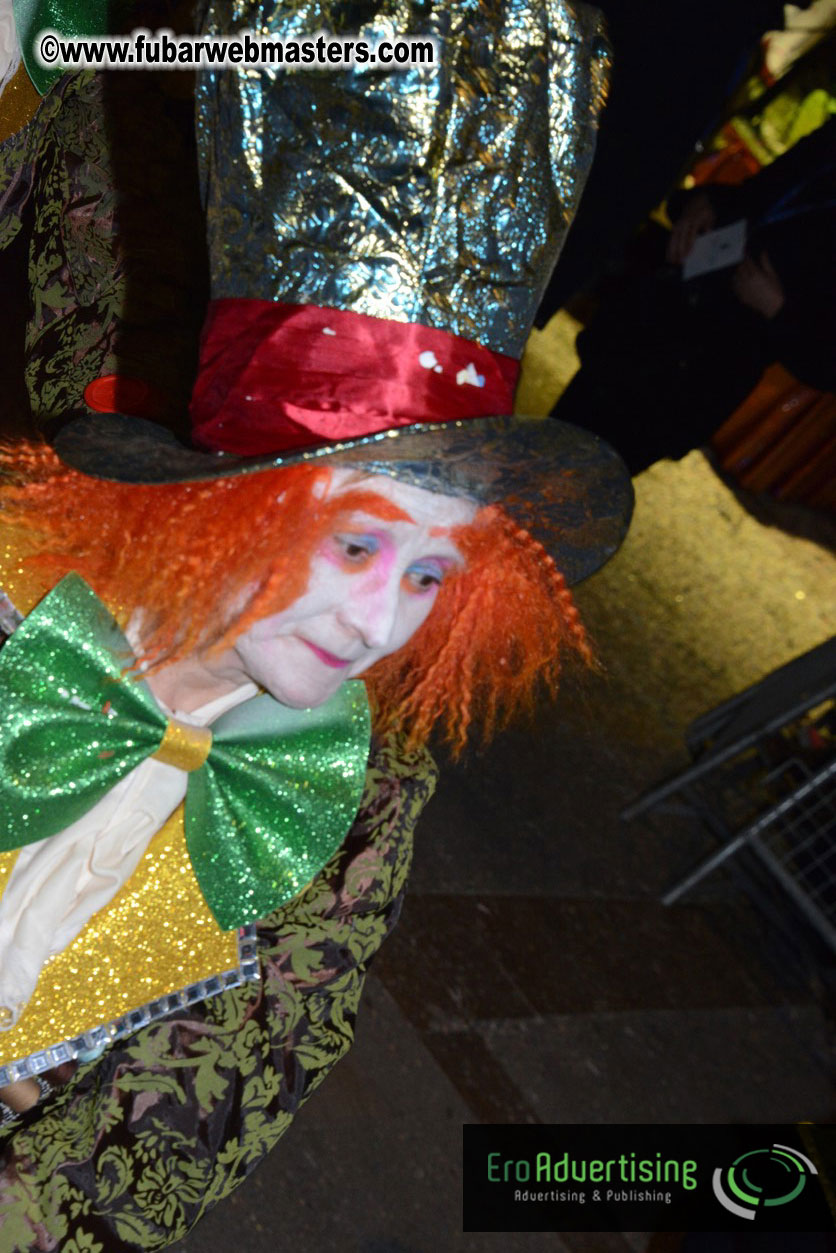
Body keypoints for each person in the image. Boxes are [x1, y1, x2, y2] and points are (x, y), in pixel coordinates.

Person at [0, 0, 632, 1246]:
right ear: (225, 501)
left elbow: (204, 1112)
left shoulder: (357, 793)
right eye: (356, 543)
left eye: (431, 573)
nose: (377, 624)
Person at [550, 116, 836, 475]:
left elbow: (825, 363)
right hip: (653, 320)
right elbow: (757, 197)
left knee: (585, 481)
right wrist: (705, 204)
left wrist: (777, 310)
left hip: (702, 371)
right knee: (548, 443)